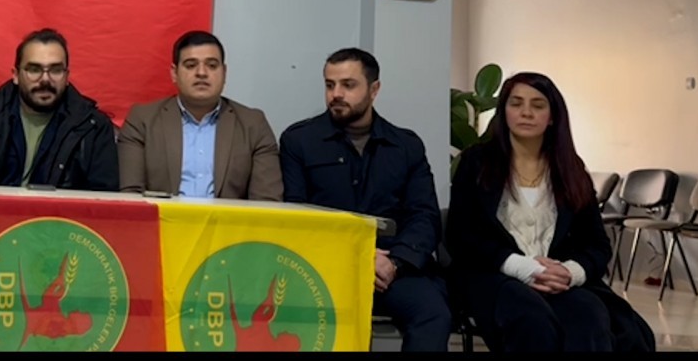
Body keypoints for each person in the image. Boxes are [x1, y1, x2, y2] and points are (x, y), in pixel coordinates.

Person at [445, 72, 655, 352]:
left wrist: (570, 272)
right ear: (504, 112)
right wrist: (522, 267)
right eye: (516, 103)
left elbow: (597, 244)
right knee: (532, 319)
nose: (526, 112)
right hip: (495, 275)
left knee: (589, 317)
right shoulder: (476, 162)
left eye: (538, 105)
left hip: (558, 279)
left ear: (553, 116)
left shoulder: (570, 168)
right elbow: (461, 235)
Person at [279, 47, 451, 352]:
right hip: (326, 266)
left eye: (348, 85)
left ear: (374, 90)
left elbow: (424, 216)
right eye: (330, 85)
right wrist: (357, 257)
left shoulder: (406, 146)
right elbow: (296, 216)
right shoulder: (299, 141)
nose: (336, 94)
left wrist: (394, 262)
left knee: (433, 314)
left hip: (391, 267)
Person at [0, 28, 118, 190]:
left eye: (56, 70)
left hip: (62, 216)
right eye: (34, 69)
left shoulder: (94, 128)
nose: (45, 79)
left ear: (67, 76)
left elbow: (103, 203)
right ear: (16, 75)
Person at [117, 31, 282, 200]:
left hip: (228, 218)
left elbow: (267, 201)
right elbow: (131, 196)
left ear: (224, 72)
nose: (202, 72)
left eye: (212, 65)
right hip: (164, 217)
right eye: (190, 65)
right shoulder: (143, 121)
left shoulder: (253, 125)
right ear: (174, 73)